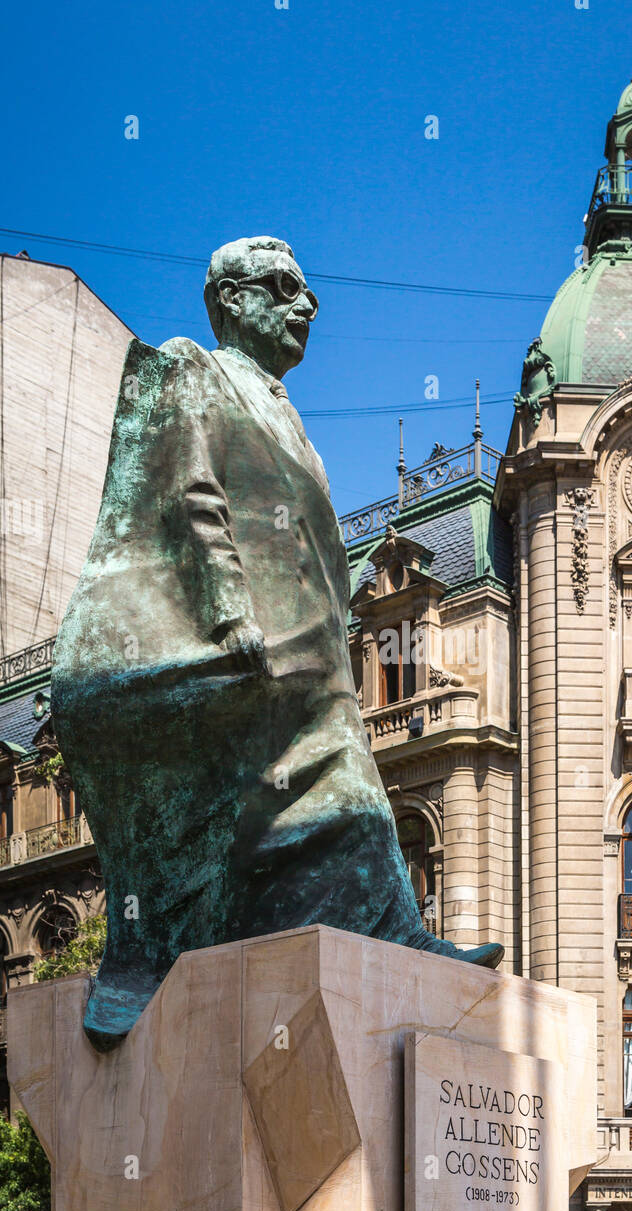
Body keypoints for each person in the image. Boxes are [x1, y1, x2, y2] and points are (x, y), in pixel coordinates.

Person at [52, 236, 503, 1050]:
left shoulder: (293, 421)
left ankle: (387, 928)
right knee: (314, 765)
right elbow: (188, 495)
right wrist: (229, 614)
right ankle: (145, 957)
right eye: (285, 288)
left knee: (344, 778)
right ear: (231, 301)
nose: (306, 307)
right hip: (218, 641)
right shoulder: (193, 369)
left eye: (309, 295)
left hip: (304, 654)